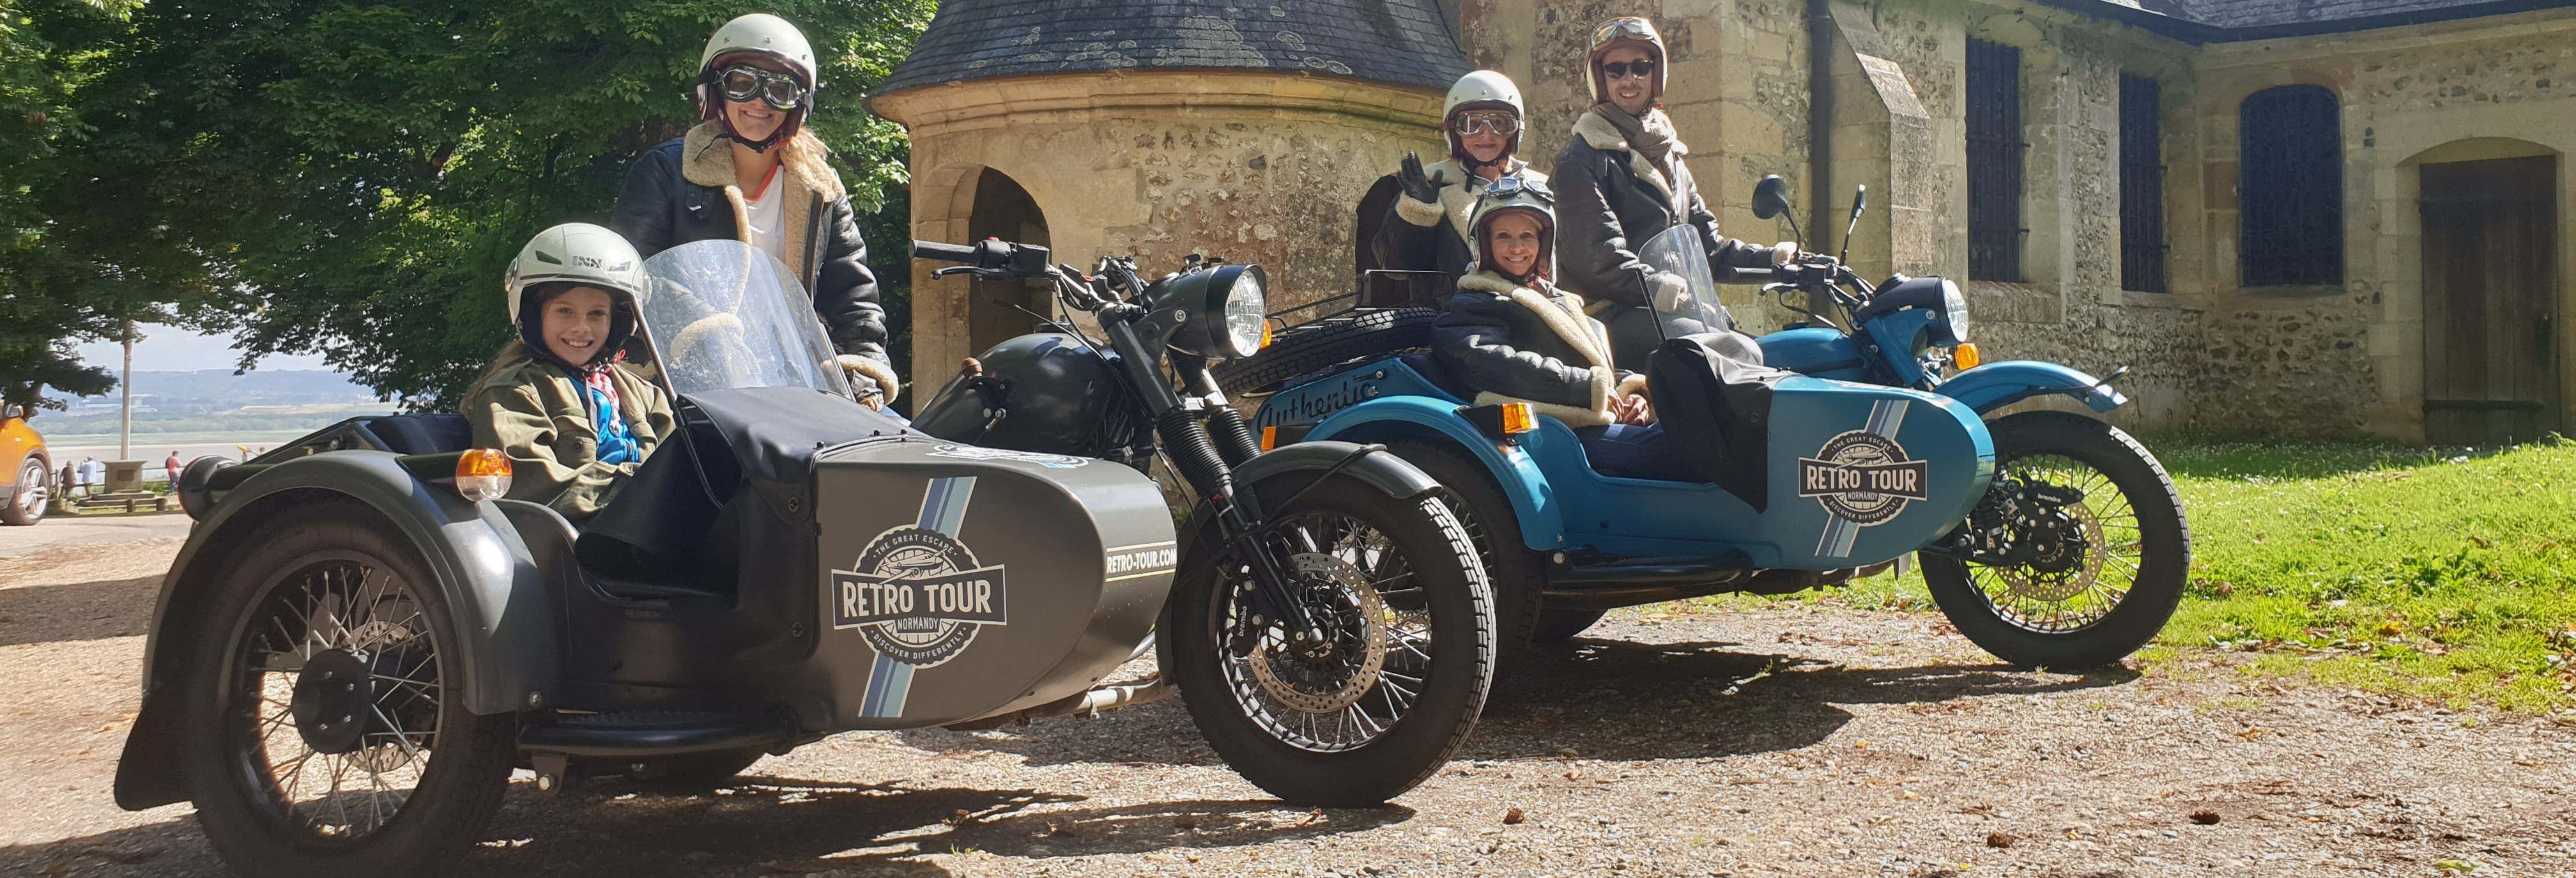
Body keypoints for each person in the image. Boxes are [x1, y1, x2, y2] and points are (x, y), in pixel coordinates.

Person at [610, 13, 898, 408]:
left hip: (794, 381)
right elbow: (635, 274)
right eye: (742, 84)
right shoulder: (665, 170)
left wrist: (865, 366)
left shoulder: (821, 189)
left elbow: (852, 291)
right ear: (715, 92)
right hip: (679, 381)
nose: (760, 102)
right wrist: (710, 334)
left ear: (800, 104)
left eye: (780, 89)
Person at [1555, 16, 1797, 368]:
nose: (1629, 79)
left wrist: (1772, 259)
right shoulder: (1582, 159)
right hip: (1609, 314)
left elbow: (1707, 247)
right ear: (1600, 79)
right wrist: (1655, 286)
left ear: (1657, 73)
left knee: (1774, 356)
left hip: (1671, 307)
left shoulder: (1670, 156)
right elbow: (1595, 257)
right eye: (1616, 69)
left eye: (1640, 66)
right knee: (1722, 356)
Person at [1432, 178, 1690, 480]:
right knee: (1686, 450)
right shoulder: (1474, 302)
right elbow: (1493, 364)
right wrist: (1588, 389)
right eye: (1504, 236)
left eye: (1527, 235)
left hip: (1584, 421)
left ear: (1544, 244)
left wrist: (1634, 395)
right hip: (1542, 432)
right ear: (1483, 244)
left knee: (1697, 428)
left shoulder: (1556, 299)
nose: (1517, 247)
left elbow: (1592, 369)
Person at [462, 223, 676, 523]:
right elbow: (538, 487)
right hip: (585, 543)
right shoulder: (514, 391)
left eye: (597, 314)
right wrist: (645, 488)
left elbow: (680, 460)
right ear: (535, 317)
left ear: (618, 321)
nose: (581, 327)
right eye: (565, 311)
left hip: (656, 527)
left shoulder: (645, 393)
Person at [1370, 70, 1548, 305]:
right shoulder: (1433, 183)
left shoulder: (1539, 188)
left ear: (1515, 131)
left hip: (1527, 315)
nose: (1486, 134)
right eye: (1471, 124)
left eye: (1499, 123)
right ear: (1454, 132)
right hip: (1451, 324)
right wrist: (1418, 213)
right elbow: (1397, 268)